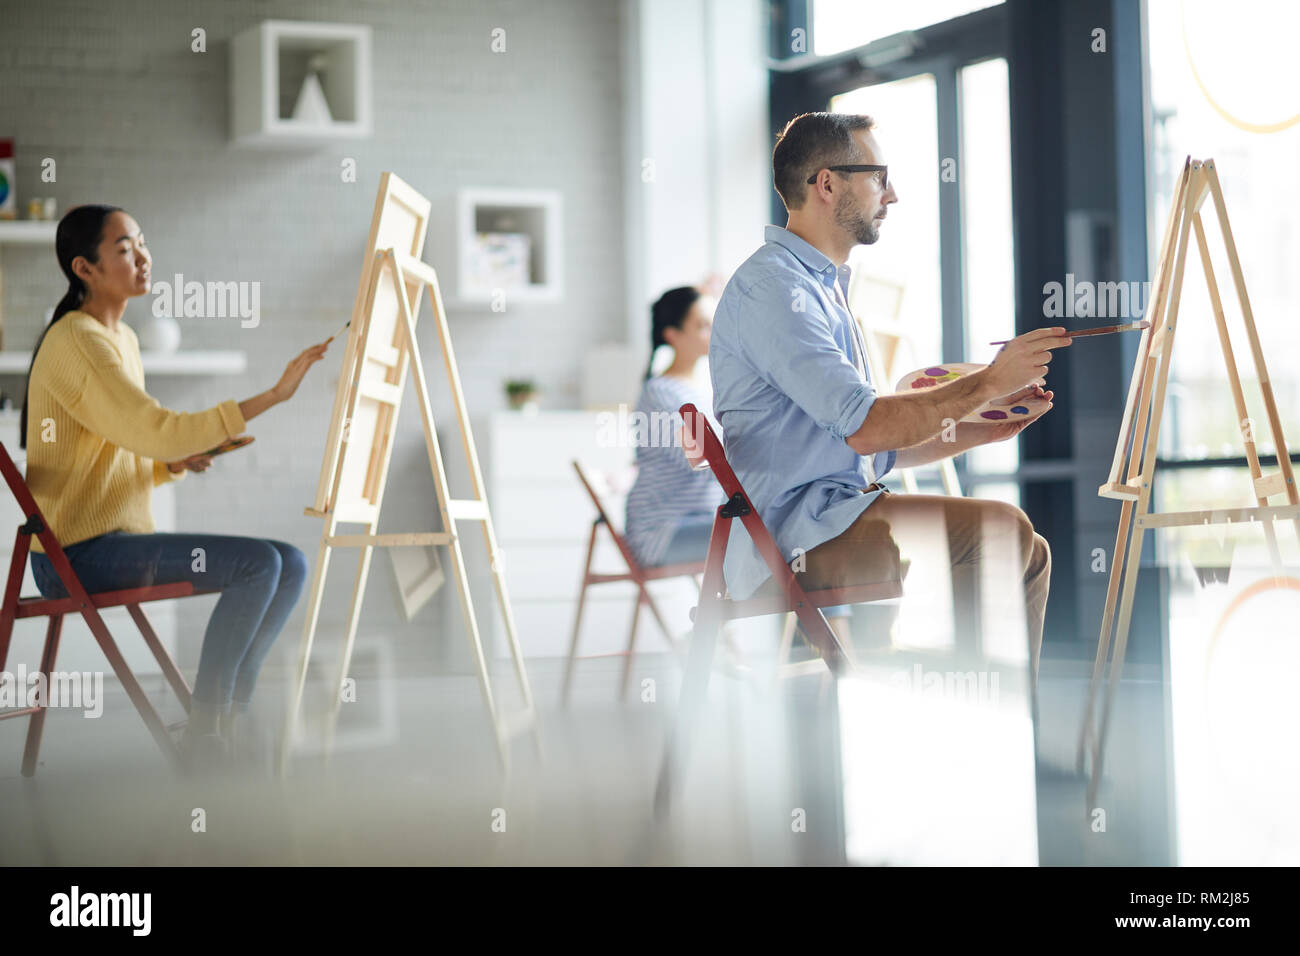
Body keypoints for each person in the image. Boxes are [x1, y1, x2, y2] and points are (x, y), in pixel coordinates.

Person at [709, 112, 1072, 683]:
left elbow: (866, 450)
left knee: (1030, 550)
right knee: (1006, 537)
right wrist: (988, 383)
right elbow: (868, 428)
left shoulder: (819, 287)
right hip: (794, 538)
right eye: (879, 176)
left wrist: (974, 427)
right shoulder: (775, 290)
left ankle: (993, 724)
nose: (893, 194)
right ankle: (988, 724)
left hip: (832, 519)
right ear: (827, 185)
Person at [21, 204, 330, 770]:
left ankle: (223, 722)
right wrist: (273, 396)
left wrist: (175, 462)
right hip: (77, 555)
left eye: (141, 242)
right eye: (124, 248)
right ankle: (208, 731)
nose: (144, 257)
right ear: (84, 268)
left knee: (291, 562)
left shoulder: (124, 340)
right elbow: (156, 431)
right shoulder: (78, 342)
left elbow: (124, 448)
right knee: (258, 564)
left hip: (112, 542)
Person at [623, 287, 725, 569]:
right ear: (673, 335)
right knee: (776, 533)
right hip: (663, 533)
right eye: (703, 325)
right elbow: (700, 458)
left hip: (701, 521)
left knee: (786, 527)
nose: (714, 331)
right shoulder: (660, 393)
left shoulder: (703, 392)